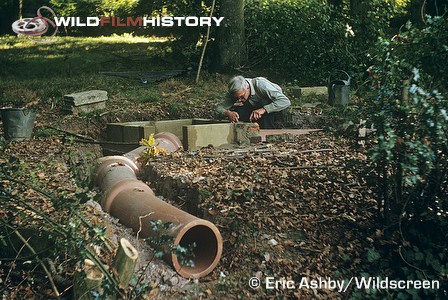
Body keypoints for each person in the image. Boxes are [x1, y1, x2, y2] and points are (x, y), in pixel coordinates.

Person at [216, 75, 291, 129]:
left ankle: (268, 131)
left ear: (247, 88)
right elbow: (219, 107)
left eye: (242, 97)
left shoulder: (261, 85)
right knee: (237, 112)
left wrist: (264, 109)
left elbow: (285, 101)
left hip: (274, 109)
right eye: (237, 98)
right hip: (254, 107)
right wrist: (228, 113)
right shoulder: (234, 91)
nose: (239, 100)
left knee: (264, 102)